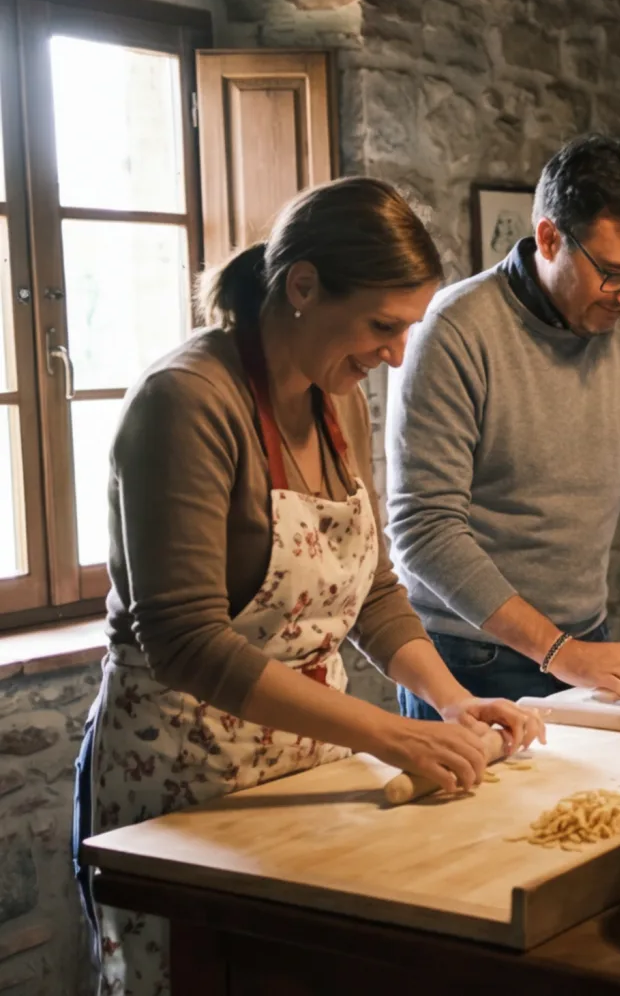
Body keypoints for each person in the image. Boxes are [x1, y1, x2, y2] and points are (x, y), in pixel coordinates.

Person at [75, 178, 546, 996]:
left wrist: (448, 702)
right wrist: (388, 736)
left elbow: (369, 592)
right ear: (301, 288)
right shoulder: (186, 403)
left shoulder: (339, 403)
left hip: (303, 772)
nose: (396, 354)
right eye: (381, 325)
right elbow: (185, 640)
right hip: (184, 784)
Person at [387, 135, 620, 713]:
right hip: (467, 660)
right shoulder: (455, 332)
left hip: (583, 643)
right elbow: (425, 532)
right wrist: (559, 651)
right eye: (615, 274)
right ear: (548, 238)